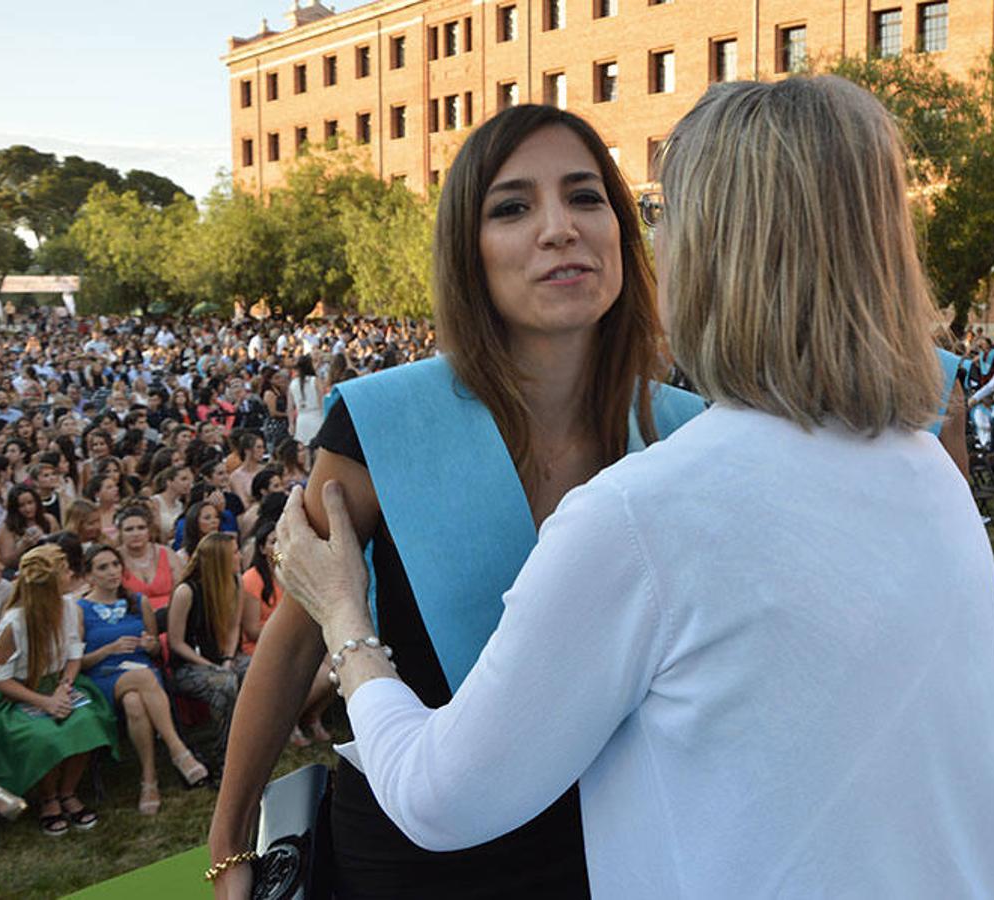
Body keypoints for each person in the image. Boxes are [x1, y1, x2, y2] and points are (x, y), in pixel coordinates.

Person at [273, 77, 994, 898]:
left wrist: (346, 620)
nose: (642, 239)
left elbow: (440, 798)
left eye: (655, 212)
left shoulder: (640, 514)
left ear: (713, 249)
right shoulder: (923, 470)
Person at [210, 105, 705, 899]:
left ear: (622, 229)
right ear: (467, 253)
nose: (558, 229)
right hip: (412, 852)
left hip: (623, 837)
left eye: (586, 198)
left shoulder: (690, 432)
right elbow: (298, 636)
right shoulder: (381, 421)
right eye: (511, 207)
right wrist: (230, 841)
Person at [0, 544, 117, 835]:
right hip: (18, 693)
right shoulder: (14, 623)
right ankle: (48, 799)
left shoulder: (69, 607)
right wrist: (44, 702)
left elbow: (74, 653)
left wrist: (64, 686)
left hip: (59, 683)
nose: (71, 574)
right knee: (44, 734)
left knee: (86, 720)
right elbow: (0, 679)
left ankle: (68, 792)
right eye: (64, 571)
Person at [77, 543, 208, 813]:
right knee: (143, 678)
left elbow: (156, 649)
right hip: (103, 676)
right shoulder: (80, 609)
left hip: (141, 674)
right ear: (89, 576)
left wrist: (150, 645)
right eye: (103, 567)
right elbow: (77, 663)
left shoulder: (138, 601)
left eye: (115, 565)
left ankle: (149, 780)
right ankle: (178, 750)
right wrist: (108, 650)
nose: (112, 572)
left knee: (135, 702)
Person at [167, 532, 257, 772]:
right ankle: (225, 754)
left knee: (255, 669)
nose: (239, 556)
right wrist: (210, 664)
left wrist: (227, 658)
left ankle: (254, 740)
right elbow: (176, 643)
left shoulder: (235, 582)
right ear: (220, 559)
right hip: (188, 665)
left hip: (222, 658)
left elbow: (234, 628)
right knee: (225, 683)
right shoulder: (186, 591)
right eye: (235, 552)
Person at [240, 521, 334, 746]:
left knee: (337, 668)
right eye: (273, 542)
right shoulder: (252, 578)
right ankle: (287, 721)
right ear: (262, 549)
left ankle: (312, 716)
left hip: (297, 639)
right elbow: (252, 629)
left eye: (281, 541)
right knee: (321, 676)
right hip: (265, 644)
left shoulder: (285, 569)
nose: (278, 547)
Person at [117, 504, 182, 627]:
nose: (135, 533)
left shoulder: (167, 553)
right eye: (129, 529)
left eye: (141, 528)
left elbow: (180, 589)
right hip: (133, 619)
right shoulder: (114, 558)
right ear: (120, 533)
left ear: (149, 531)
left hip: (171, 616)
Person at [0, 485, 60, 571]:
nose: (27, 509)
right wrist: (23, 546)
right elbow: (5, 562)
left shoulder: (49, 520)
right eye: (21, 505)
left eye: (30, 503)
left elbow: (60, 546)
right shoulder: (8, 528)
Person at [289, 355, 324, 446]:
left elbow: (290, 407)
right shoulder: (315, 381)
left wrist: (291, 424)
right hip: (317, 417)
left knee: (304, 450)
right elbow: (322, 402)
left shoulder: (292, 384)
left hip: (301, 419)